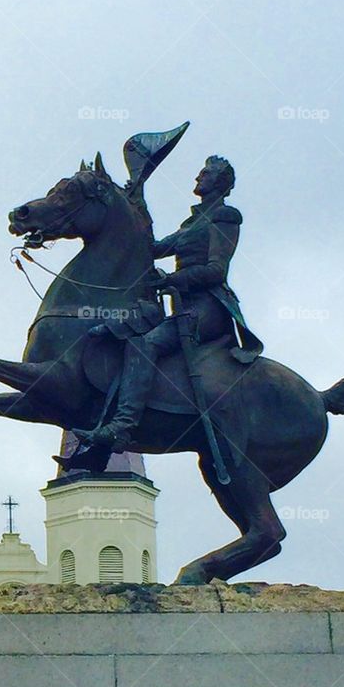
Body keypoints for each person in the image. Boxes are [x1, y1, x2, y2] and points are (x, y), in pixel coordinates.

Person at [69, 155, 262, 459]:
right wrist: (136, 201)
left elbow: (216, 271)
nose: (198, 177)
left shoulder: (225, 216)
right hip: (183, 307)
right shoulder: (191, 223)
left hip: (208, 308)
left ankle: (123, 425)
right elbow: (152, 249)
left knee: (145, 344)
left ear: (221, 182)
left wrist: (172, 279)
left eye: (206, 173)